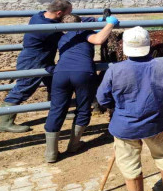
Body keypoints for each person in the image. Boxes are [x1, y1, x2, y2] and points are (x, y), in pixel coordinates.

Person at [96, 26, 163, 191]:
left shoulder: (114, 70)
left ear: (126, 47)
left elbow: (102, 99)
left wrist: (118, 107)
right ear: (149, 45)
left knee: (128, 162)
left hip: (124, 126)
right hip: (156, 123)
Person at [0, 0, 97, 133]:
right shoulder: (47, 28)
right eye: (68, 13)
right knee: (24, 87)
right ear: (59, 13)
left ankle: (59, 111)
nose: (69, 15)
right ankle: (5, 122)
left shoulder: (40, 15)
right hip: (33, 60)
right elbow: (70, 30)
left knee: (53, 84)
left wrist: (97, 19)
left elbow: (71, 20)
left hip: (45, 58)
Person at [44, 14, 119, 163]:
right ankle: (74, 144)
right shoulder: (85, 32)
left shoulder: (62, 37)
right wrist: (110, 24)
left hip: (60, 73)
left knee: (57, 109)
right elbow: (98, 39)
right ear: (81, 23)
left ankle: (51, 153)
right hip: (83, 73)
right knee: (83, 108)